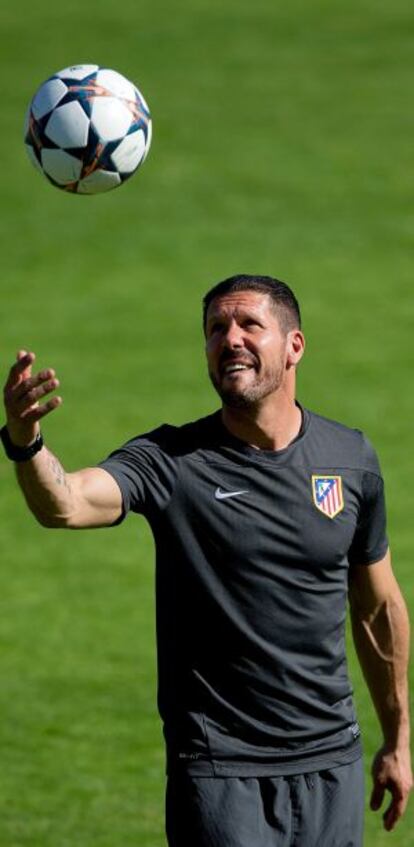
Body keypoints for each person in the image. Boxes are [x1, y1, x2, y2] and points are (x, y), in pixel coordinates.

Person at [2, 274, 412, 846]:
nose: (230, 339)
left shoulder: (350, 459)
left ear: (294, 345)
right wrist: (26, 441)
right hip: (221, 770)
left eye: (249, 325)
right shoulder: (172, 462)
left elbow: (377, 609)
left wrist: (398, 739)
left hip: (329, 764)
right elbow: (65, 504)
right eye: (216, 329)